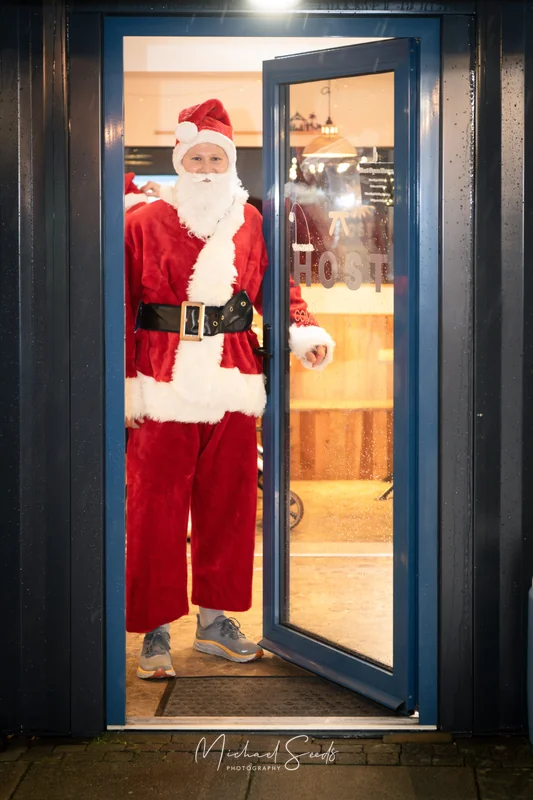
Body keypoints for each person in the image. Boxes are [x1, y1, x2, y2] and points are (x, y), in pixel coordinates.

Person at [125, 98, 335, 680]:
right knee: (154, 512)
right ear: (179, 161)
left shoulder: (253, 224)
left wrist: (302, 332)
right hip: (159, 383)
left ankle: (215, 622)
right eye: (197, 158)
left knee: (231, 506)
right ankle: (155, 631)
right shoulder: (139, 223)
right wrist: (122, 385)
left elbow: (278, 292)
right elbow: (119, 308)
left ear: (232, 162)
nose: (208, 167)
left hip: (235, 380)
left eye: (218, 156)